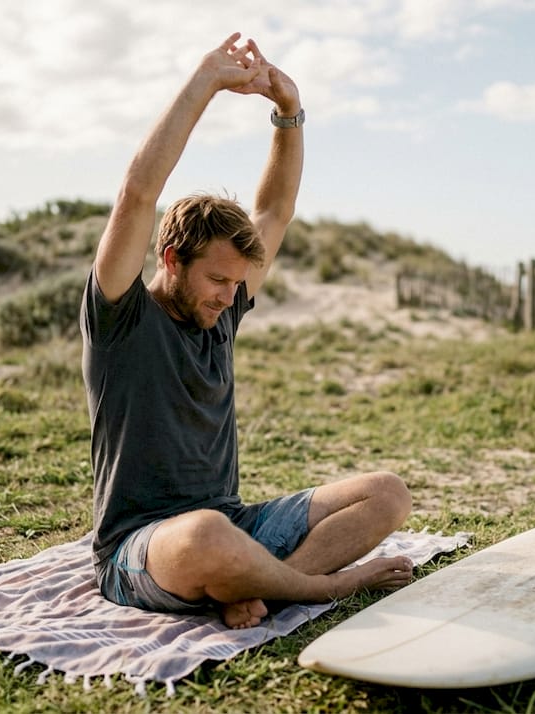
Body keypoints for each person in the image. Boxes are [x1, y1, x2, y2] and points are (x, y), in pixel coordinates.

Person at [81, 33, 414, 629]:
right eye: (217, 279)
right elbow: (138, 192)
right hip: (142, 550)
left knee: (387, 493)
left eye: (238, 283)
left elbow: (275, 212)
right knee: (205, 536)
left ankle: (268, 586)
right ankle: (318, 585)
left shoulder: (222, 307)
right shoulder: (121, 317)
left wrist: (289, 113)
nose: (230, 296)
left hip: (235, 523)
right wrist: (207, 80)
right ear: (171, 258)